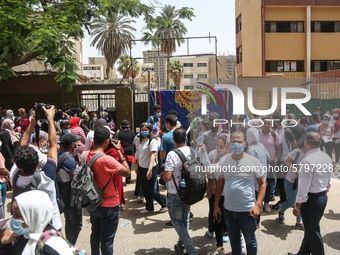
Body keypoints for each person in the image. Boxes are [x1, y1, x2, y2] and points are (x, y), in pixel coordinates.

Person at [11, 106, 62, 231]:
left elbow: (22, 146)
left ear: (18, 165)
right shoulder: (46, 177)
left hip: (25, 228)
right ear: (37, 163)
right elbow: (53, 145)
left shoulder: (14, 175)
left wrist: (32, 124)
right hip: (50, 228)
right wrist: (50, 120)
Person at [214, 131, 266, 255]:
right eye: (233, 142)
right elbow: (220, 184)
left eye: (239, 142)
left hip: (247, 210)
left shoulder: (253, 161)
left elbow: (262, 184)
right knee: (234, 240)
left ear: (245, 143)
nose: (236, 144)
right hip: (229, 210)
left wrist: (258, 205)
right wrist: (216, 205)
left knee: (250, 241)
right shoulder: (224, 161)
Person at [84, 126, 130, 255]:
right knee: (107, 241)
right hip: (109, 204)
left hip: (92, 202)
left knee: (95, 235)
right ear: (106, 141)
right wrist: (119, 151)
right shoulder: (106, 160)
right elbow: (126, 172)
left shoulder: (84, 155)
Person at [288, 132, 332, 255]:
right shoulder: (327, 157)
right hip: (322, 196)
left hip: (311, 200)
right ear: (321, 143)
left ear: (306, 142)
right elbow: (328, 181)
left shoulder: (307, 161)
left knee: (313, 232)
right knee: (310, 229)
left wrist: (297, 206)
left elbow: (303, 188)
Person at [3, 190, 75, 254]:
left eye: (17, 215)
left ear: (33, 217)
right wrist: (5, 244)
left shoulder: (51, 247)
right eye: (13, 213)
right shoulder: (23, 235)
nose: (13, 218)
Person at [162, 128, 197, 255]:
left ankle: (191, 250)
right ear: (186, 139)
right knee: (185, 219)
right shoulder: (192, 151)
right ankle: (181, 245)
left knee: (177, 222)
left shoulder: (172, 154)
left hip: (175, 192)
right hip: (189, 191)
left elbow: (166, 177)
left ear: (173, 140)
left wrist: (162, 175)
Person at [201, 134, 231, 255]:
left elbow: (212, 168)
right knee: (216, 215)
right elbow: (206, 166)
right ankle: (219, 246)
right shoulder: (213, 154)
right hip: (213, 191)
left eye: (222, 146)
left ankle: (225, 234)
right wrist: (203, 153)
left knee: (225, 217)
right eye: (218, 145)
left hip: (226, 193)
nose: (219, 148)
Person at [135, 123, 166, 214]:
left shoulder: (152, 140)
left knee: (151, 190)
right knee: (145, 189)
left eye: (145, 130)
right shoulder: (141, 140)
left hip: (150, 167)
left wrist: (150, 170)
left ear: (150, 130)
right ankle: (149, 207)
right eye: (142, 130)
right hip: (142, 167)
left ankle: (164, 204)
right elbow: (139, 154)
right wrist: (137, 166)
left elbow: (153, 155)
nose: (144, 132)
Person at [57, 133, 82, 245]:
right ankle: (70, 246)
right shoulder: (69, 160)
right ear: (72, 145)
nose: (78, 144)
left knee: (69, 222)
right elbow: (76, 179)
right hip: (71, 196)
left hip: (64, 194)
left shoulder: (60, 155)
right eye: (76, 142)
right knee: (77, 224)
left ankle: (68, 243)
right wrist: (80, 167)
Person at [277, 142, 305, 230]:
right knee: (291, 202)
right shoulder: (297, 151)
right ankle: (281, 211)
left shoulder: (312, 153)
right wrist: (296, 170)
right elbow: (286, 161)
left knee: (301, 201)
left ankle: (299, 221)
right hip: (291, 181)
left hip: (303, 181)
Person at [246, 127, 270, 229]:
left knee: (254, 201)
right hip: (263, 178)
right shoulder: (261, 145)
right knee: (259, 201)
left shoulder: (251, 150)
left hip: (254, 181)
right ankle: (257, 223)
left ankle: (253, 222)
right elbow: (268, 157)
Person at [259, 118, 282, 213]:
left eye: (269, 123)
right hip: (259, 163)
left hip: (270, 163)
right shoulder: (257, 134)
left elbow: (279, 149)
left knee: (270, 184)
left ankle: (267, 203)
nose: (267, 125)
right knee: (259, 183)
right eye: (265, 123)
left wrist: (275, 162)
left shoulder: (274, 135)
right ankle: (259, 203)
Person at [115, 120, 135, 184]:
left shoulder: (118, 132)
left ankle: (119, 180)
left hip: (121, 151)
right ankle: (128, 179)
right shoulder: (132, 133)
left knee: (120, 165)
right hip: (130, 152)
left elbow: (115, 140)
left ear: (121, 126)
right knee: (129, 165)